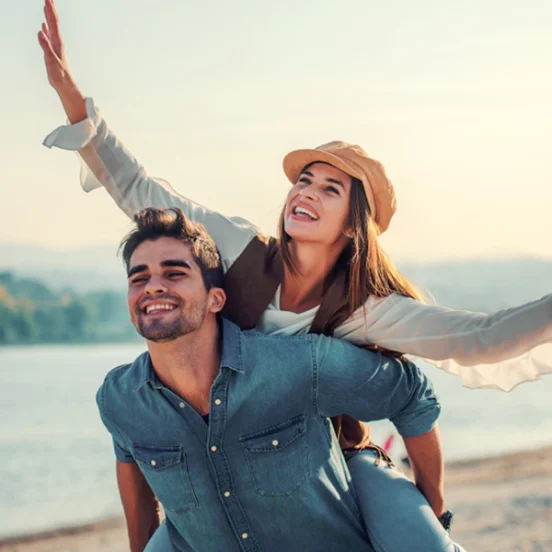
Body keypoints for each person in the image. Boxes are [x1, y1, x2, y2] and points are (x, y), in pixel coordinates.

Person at [37, 0, 551, 548]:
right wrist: (75, 104)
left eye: (329, 189)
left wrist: (434, 502)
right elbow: (142, 192)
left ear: (354, 227)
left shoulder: (369, 309)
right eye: (304, 180)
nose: (305, 192)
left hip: (335, 463)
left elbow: (481, 338)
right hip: (228, 459)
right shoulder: (237, 247)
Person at [98, 206, 461, 552]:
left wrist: (432, 516)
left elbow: (411, 396)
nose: (153, 287)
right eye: (139, 277)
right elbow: (143, 516)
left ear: (215, 299)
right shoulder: (120, 400)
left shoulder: (299, 366)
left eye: (174, 273)